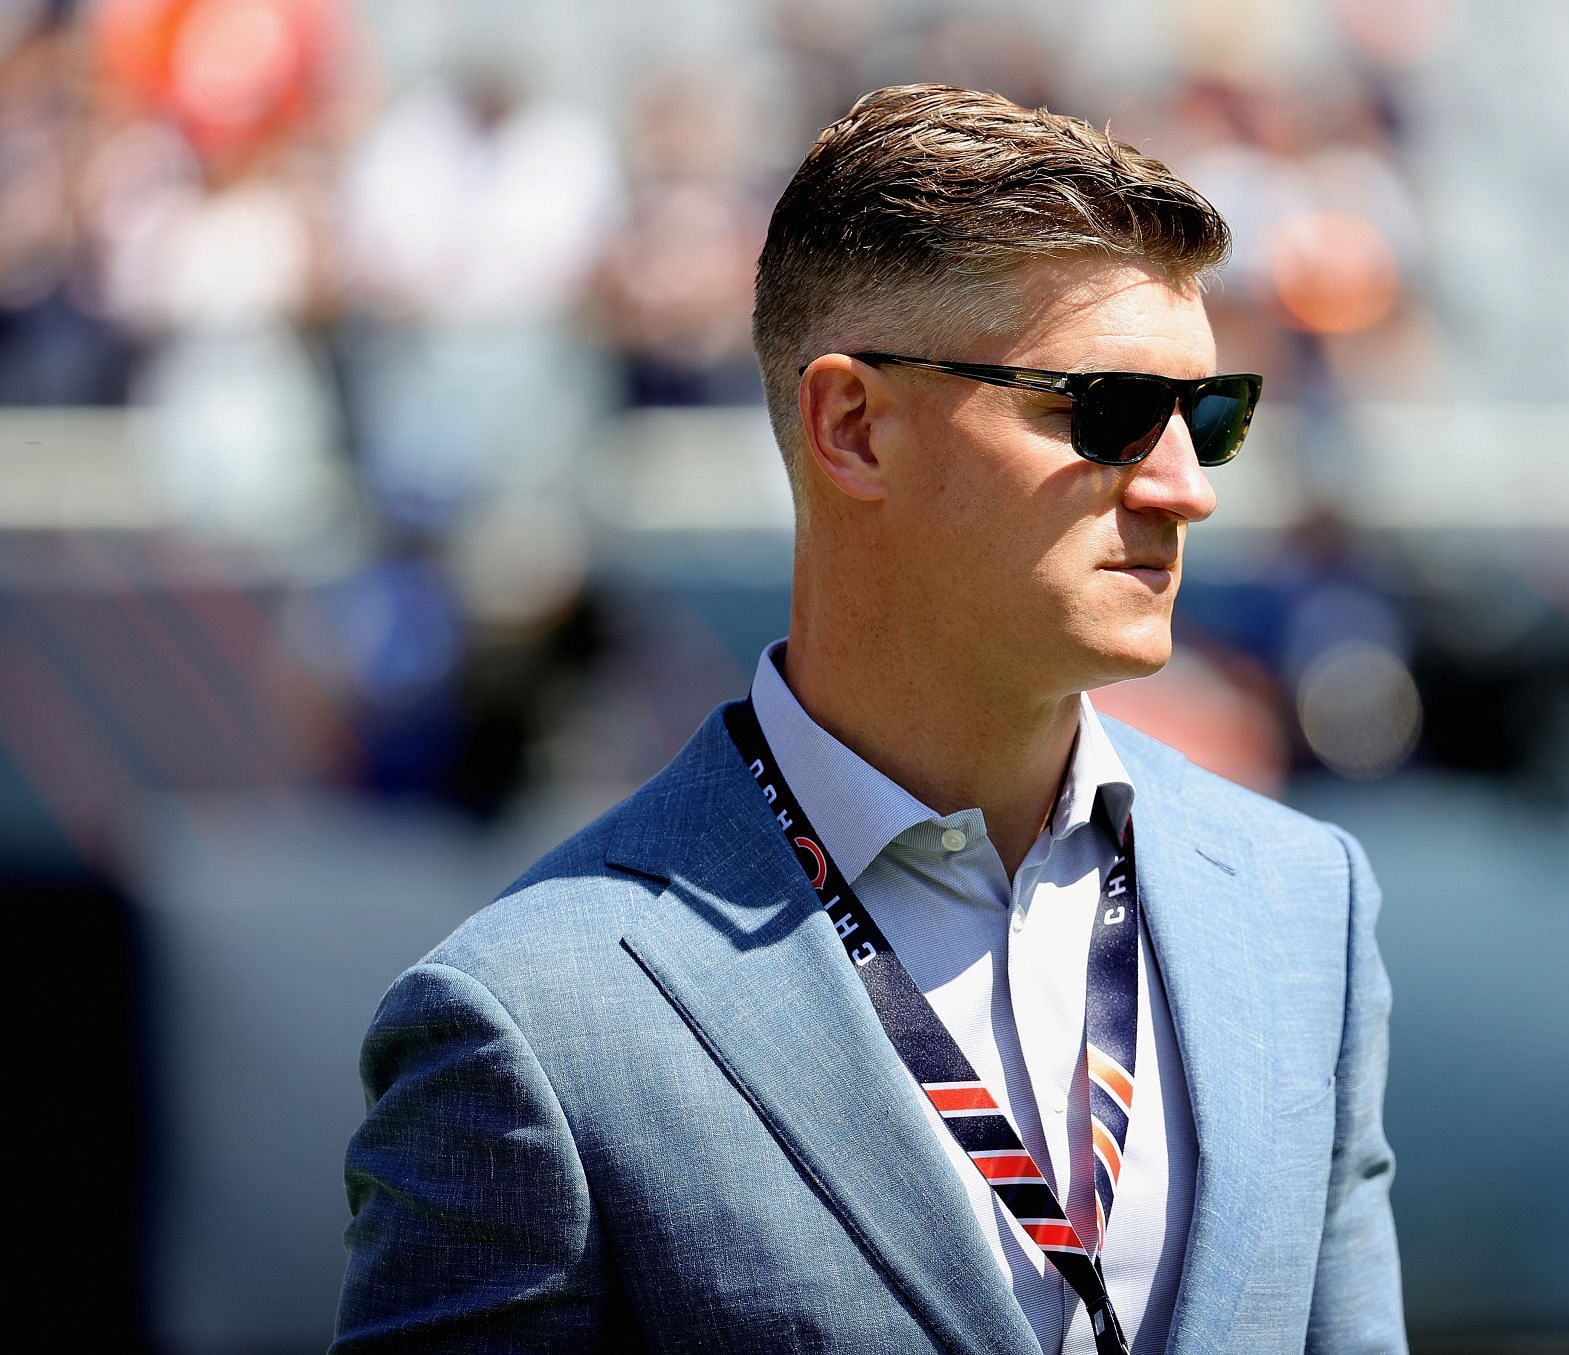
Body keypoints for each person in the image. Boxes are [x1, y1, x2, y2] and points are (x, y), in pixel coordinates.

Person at [332, 83, 1405, 1355]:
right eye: (1111, 411)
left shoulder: (1302, 905)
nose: (1185, 487)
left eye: (1208, 414)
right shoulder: (529, 1017)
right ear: (853, 425)